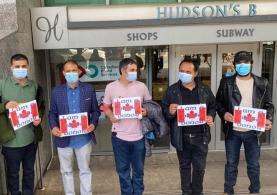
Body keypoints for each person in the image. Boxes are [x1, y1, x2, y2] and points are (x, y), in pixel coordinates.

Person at [216, 51, 274, 195]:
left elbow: (269, 105)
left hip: (253, 132)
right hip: (233, 131)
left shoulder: (262, 82)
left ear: (251, 64)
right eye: (239, 63)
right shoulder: (226, 82)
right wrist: (224, 114)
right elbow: (218, 103)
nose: (243, 65)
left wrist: (269, 119)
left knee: (253, 165)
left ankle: (254, 190)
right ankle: (228, 191)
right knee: (231, 164)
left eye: (246, 62)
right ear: (235, 65)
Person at [0, 54, 44, 195]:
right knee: (13, 174)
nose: (20, 69)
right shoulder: (0, 86)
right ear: (11, 67)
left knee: (29, 171)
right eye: (17, 67)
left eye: (23, 66)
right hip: (11, 142)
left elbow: (40, 106)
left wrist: (39, 117)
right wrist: (5, 105)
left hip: (30, 139)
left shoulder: (34, 86)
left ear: (28, 67)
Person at [162, 58, 216, 195]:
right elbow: (164, 111)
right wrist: (170, 111)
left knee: (199, 168)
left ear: (195, 73)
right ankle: (186, 192)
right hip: (182, 137)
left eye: (188, 71)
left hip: (201, 136)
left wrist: (210, 116)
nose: (184, 74)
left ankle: (198, 192)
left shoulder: (204, 89)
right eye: (181, 71)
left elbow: (213, 106)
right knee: (184, 167)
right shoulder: (172, 90)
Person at [48, 59, 100, 195]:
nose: (71, 73)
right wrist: (53, 127)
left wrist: (93, 124)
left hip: (83, 138)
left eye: (74, 70)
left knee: (85, 170)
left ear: (78, 72)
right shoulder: (56, 91)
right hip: (64, 139)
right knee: (66, 171)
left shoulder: (88, 89)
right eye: (68, 71)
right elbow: (52, 113)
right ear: (64, 73)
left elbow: (95, 111)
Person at [103, 58, 152, 195]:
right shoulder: (111, 87)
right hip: (119, 137)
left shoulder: (141, 87)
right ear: (123, 70)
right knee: (123, 172)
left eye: (135, 70)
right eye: (132, 70)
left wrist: (146, 111)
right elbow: (105, 106)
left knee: (138, 172)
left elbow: (150, 105)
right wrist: (111, 116)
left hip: (139, 137)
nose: (135, 73)